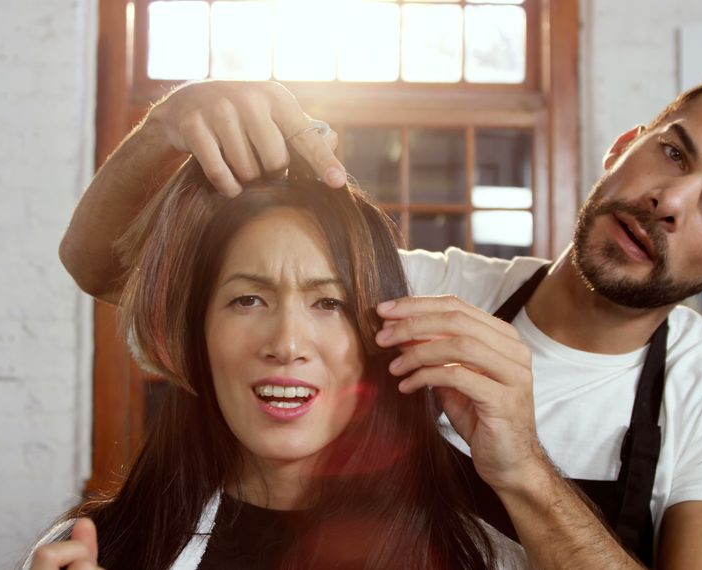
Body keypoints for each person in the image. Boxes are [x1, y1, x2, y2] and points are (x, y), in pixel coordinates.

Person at [57, 67, 702, 568]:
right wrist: (171, 123)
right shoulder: (423, 287)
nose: (669, 202)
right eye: (675, 154)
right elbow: (107, 270)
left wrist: (524, 467)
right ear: (626, 147)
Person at [27, 161, 529, 568]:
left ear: (381, 339)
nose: (287, 344)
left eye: (330, 304)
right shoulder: (86, 552)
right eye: (248, 300)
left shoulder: (482, 560)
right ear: (197, 335)